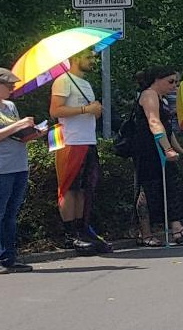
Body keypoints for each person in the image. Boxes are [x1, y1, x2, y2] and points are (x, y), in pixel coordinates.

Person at [0, 68, 44, 274]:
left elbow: (16, 136)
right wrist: (18, 125)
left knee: (10, 215)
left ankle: (8, 258)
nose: (12, 89)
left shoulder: (10, 106)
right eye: (9, 85)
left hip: (18, 165)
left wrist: (33, 133)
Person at [49, 49, 111, 254]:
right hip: (71, 141)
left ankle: (81, 229)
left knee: (84, 188)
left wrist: (95, 110)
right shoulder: (63, 81)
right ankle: (69, 233)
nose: (93, 61)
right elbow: (55, 110)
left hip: (88, 140)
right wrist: (85, 110)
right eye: (89, 57)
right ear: (75, 58)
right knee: (69, 188)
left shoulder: (85, 84)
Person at [134, 66, 183, 246]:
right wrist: (167, 149)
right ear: (157, 79)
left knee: (172, 185)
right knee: (148, 190)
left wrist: (178, 148)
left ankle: (177, 228)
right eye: (170, 81)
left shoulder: (160, 98)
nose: (174, 86)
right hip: (149, 150)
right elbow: (154, 122)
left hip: (160, 146)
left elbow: (167, 128)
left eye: (176, 82)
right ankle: (145, 233)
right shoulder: (149, 95)